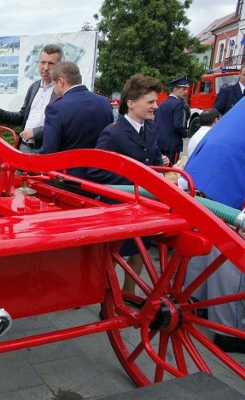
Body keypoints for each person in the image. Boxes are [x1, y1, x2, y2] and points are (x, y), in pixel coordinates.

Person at [89, 74, 166, 295]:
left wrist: (158, 174)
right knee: (114, 256)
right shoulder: (112, 133)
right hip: (119, 207)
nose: (156, 106)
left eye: (155, 101)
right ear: (131, 104)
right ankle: (106, 298)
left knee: (139, 253)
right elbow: (96, 172)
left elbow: (155, 157)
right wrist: (138, 181)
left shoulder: (150, 128)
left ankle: (129, 295)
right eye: (150, 102)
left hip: (144, 205)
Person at [183, 97, 245, 353]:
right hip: (231, 172)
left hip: (206, 166)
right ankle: (228, 329)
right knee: (233, 251)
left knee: (207, 234)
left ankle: (195, 299)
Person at [40, 61, 114, 178]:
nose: (54, 90)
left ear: (61, 81)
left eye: (54, 85)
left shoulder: (56, 108)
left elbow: (49, 152)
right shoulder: (104, 102)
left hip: (68, 179)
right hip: (101, 175)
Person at [0, 44, 63, 154]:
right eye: (43, 62)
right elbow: (22, 117)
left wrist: (36, 132)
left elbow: (62, 124)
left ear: (59, 66)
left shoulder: (61, 90)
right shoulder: (34, 87)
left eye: (51, 63)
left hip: (45, 152)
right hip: (24, 148)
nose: (45, 68)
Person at [155, 76, 189, 164]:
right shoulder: (178, 104)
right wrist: (185, 133)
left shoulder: (162, 104)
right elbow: (178, 125)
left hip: (160, 142)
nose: (186, 92)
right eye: (183, 89)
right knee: (171, 170)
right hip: (172, 144)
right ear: (175, 89)